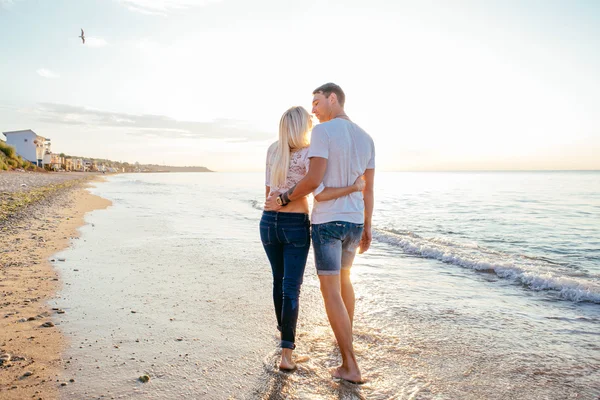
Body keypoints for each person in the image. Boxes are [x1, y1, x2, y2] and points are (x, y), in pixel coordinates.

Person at [265, 83, 375, 384]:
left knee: (331, 292)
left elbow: (315, 182)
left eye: (316, 102)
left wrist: (285, 198)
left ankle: (349, 364)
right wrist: (367, 224)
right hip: (354, 221)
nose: (313, 110)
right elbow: (370, 188)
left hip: (328, 223)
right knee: (345, 282)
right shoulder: (367, 138)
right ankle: (345, 345)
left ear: (333, 98)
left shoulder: (323, 133)